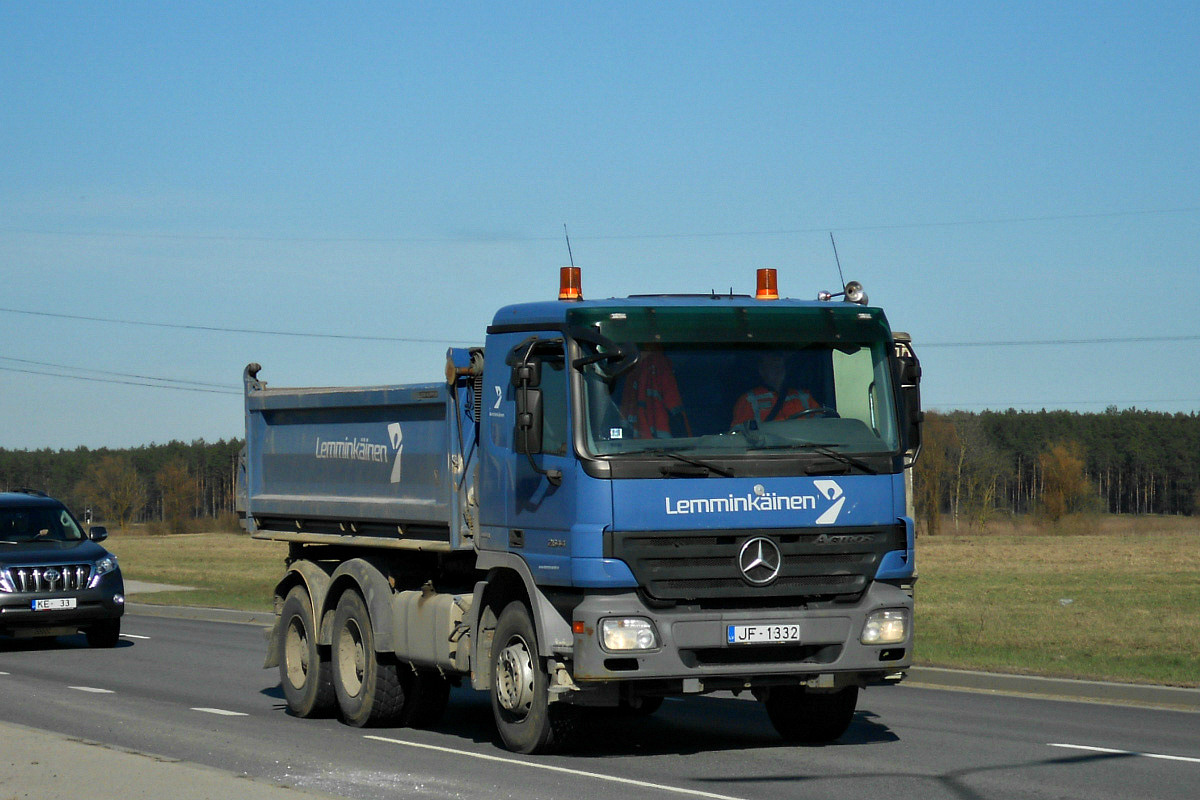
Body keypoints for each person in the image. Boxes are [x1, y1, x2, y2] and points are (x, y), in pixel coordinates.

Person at [730, 350, 820, 427]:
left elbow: (821, 426)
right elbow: (738, 437)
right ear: (762, 370)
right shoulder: (748, 400)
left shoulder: (805, 397)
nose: (777, 365)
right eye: (771, 363)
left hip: (803, 447)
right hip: (766, 447)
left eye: (779, 359)